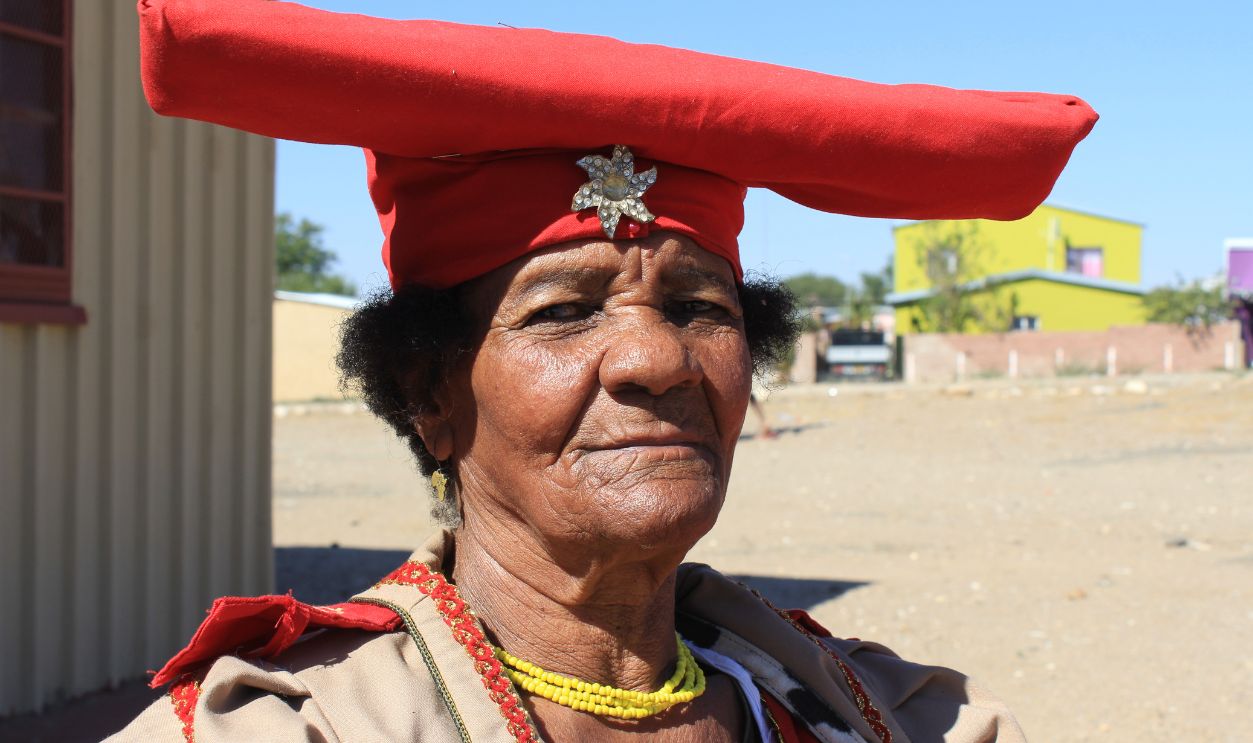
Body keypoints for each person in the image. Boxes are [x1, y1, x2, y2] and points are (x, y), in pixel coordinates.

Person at [112, 1, 1096, 740]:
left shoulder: (885, 711)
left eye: (699, 306)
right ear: (427, 392)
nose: (655, 356)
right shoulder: (297, 724)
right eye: (564, 310)